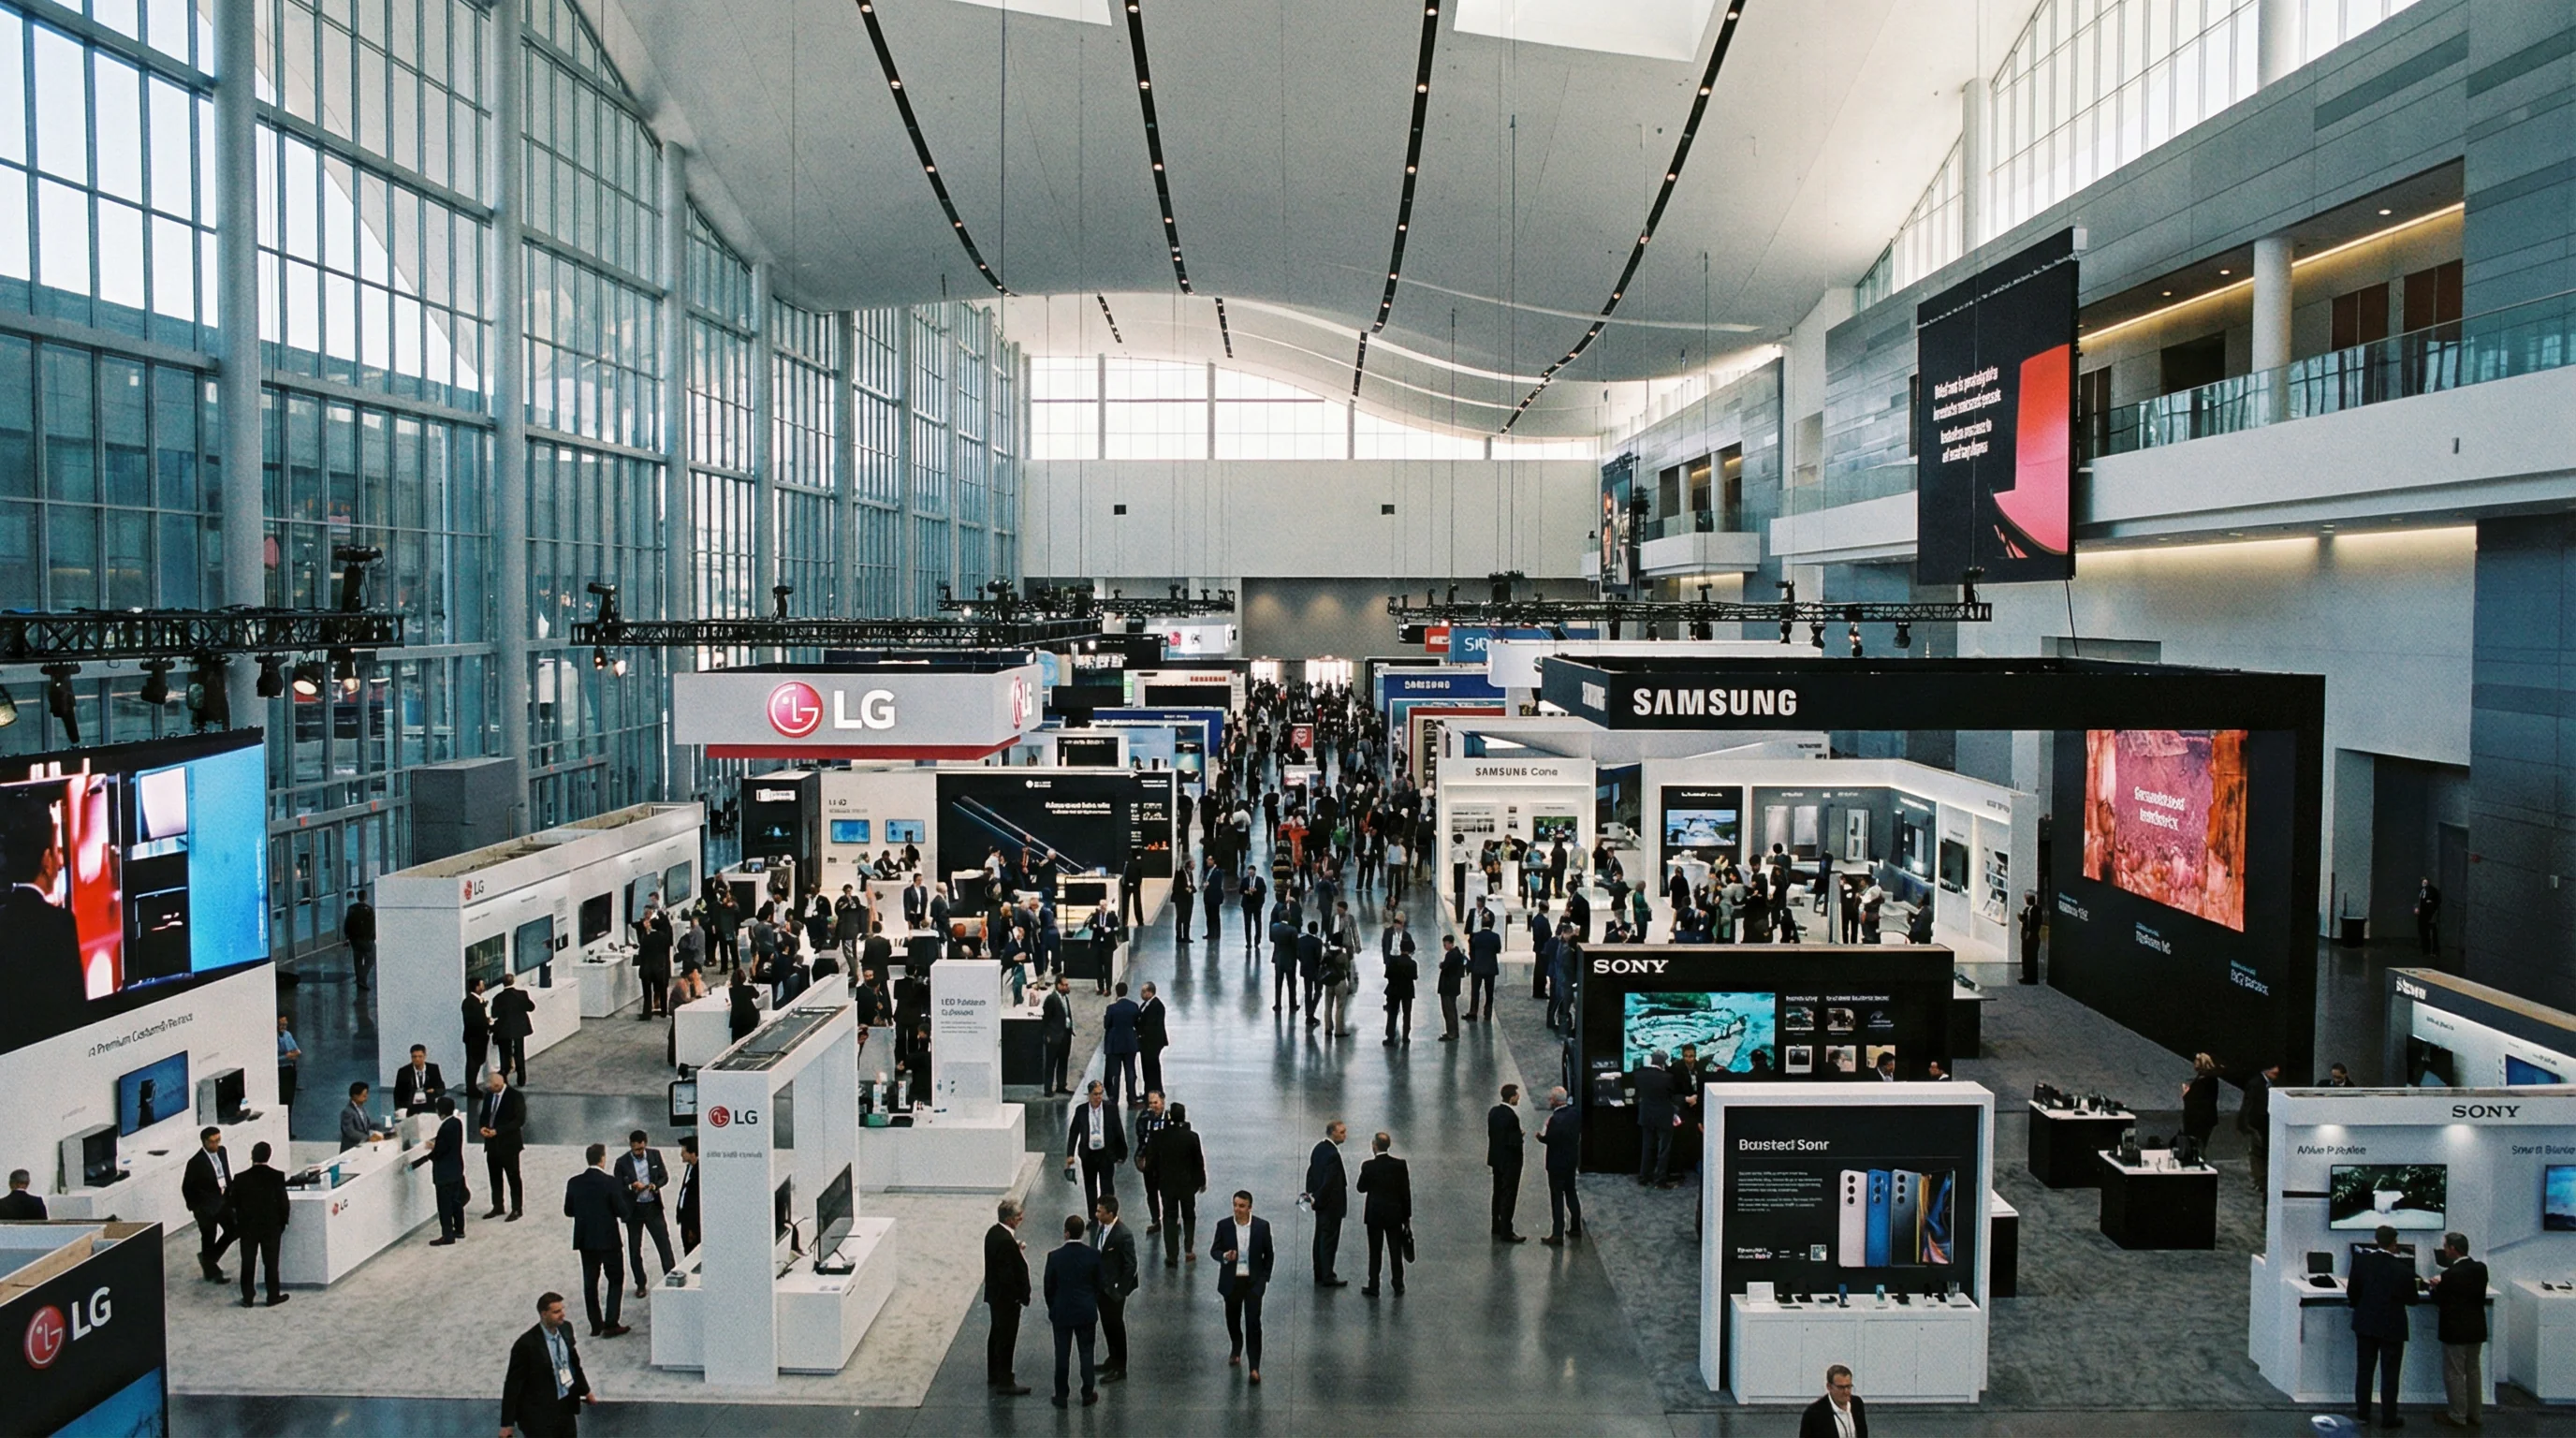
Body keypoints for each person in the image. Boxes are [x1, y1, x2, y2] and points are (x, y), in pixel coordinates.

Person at [499, 1291, 593, 1438]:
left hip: (565, 1407)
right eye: (556, 1312)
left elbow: (573, 1363)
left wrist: (585, 1390)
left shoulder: (566, 1328)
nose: (562, 1314)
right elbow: (513, 1384)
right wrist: (507, 1424)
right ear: (544, 1314)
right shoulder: (526, 1345)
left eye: (562, 1309)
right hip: (538, 1415)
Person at [2349, 1224, 2416, 1428]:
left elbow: (2353, 1293)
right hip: (2392, 1326)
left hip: (2366, 1323)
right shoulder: (2404, 1269)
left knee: (2365, 1370)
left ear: (2376, 1240)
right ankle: (2389, 1417)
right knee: (2390, 1374)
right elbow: (2412, 1299)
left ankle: (2363, 1414)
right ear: (2394, 1243)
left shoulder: (2361, 1262)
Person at [564, 1143, 632, 1338]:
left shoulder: (574, 1182)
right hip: (608, 1239)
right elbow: (621, 1210)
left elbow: (568, 1210)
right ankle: (611, 1323)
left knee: (590, 1282)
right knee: (615, 1279)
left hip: (585, 1240)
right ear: (602, 1159)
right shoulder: (610, 1182)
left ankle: (595, 1324)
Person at [1044, 1212, 1105, 1408]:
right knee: (1086, 1352)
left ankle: (1061, 1395)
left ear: (1066, 1233)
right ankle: (1087, 1393)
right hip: (1086, 1311)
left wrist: (1053, 1307)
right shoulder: (1093, 1255)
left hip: (1062, 1311)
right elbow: (1099, 1284)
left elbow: (1048, 1287)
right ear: (1082, 1233)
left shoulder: (1054, 1256)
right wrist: (1091, 1301)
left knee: (1062, 1354)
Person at [1211, 1190, 1274, 1383]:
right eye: (1235, 1205)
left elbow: (1269, 1255)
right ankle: (1236, 1346)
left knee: (1253, 1323)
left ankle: (1254, 1366)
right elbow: (1215, 1250)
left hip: (1253, 1282)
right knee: (1233, 1319)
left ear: (1250, 1208)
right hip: (1232, 1282)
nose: (1237, 1209)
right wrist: (1224, 1256)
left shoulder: (1261, 1227)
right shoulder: (1224, 1226)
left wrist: (1263, 1280)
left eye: (1242, 1206)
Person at [2429, 1230, 2488, 1429]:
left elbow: (2441, 1301)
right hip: (2476, 1329)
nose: (2444, 1251)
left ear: (2453, 1249)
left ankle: (2457, 1414)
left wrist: (2435, 1287)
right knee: (2473, 1372)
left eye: (2446, 1247)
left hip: (2455, 1331)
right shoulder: (2481, 1269)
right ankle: (2475, 1414)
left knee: (2454, 1373)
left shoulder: (2450, 1275)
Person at [229, 1141, 290, 1308]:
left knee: (248, 1262)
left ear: (252, 1155)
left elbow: (233, 1203)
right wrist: (282, 1222)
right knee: (271, 1263)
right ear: (269, 1156)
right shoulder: (277, 1176)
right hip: (271, 1227)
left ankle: (248, 1297)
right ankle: (272, 1296)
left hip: (248, 1228)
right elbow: (283, 1203)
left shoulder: (240, 1178)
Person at [614, 1130, 675, 1296]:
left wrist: (655, 1185)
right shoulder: (621, 1162)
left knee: (664, 1244)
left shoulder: (655, 1155)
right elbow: (617, 1186)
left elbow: (664, 1176)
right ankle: (640, 1283)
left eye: (641, 1149)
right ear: (630, 1146)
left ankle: (670, 1278)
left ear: (645, 1143)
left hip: (653, 1206)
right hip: (634, 1210)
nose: (639, 1153)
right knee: (635, 1249)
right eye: (635, 1150)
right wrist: (631, 1186)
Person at [984, 1198, 1032, 1395]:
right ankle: (1005, 1380)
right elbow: (1007, 1275)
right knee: (1006, 1338)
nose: (1021, 1218)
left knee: (996, 1334)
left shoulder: (994, 1233)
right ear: (1010, 1219)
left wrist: (1015, 1248)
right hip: (1006, 1300)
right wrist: (1017, 1297)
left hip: (995, 1296)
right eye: (1018, 1216)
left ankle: (994, 1373)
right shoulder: (1005, 1241)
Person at [1149, 1101, 1208, 1267]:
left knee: (1169, 1217)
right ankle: (1188, 1249)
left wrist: (1155, 1180)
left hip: (1167, 1185)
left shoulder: (1159, 1136)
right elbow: (1198, 1161)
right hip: (1187, 1185)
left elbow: (1153, 1161)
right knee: (1189, 1215)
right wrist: (1201, 1181)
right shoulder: (1192, 1137)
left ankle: (1172, 1255)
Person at [1355, 1130, 1412, 1297]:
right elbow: (1405, 1193)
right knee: (1395, 1250)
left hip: (1374, 1215)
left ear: (1374, 1146)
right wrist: (1406, 1217)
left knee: (1375, 1251)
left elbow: (1361, 1188)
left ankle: (1374, 1285)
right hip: (1395, 1214)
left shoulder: (1368, 1166)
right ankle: (1398, 1283)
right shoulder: (1400, 1165)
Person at [1091, 1194, 1139, 1382]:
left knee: (1116, 1326)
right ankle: (1112, 1359)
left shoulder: (1123, 1235)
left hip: (1113, 1291)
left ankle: (1120, 1367)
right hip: (1102, 1288)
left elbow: (1131, 1265)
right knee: (1107, 1325)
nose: (1096, 1215)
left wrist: (1119, 1291)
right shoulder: (1102, 1228)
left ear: (1110, 1213)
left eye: (1100, 1212)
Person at [181, 1126, 235, 1282]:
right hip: (206, 1207)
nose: (216, 1145)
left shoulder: (222, 1152)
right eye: (212, 1142)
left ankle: (208, 1260)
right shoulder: (196, 1162)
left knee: (233, 1229)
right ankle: (212, 1271)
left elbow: (226, 1173)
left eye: (218, 1140)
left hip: (223, 1201)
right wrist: (196, 1208)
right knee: (208, 1237)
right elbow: (186, 1187)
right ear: (204, 1142)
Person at [1302, 1120, 1350, 1287]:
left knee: (1320, 1238)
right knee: (1329, 1241)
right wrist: (1319, 1198)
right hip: (1332, 1206)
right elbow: (1330, 1182)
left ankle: (1319, 1272)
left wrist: (1311, 1195)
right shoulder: (1333, 1155)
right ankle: (1328, 1275)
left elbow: (1311, 1172)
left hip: (1321, 1206)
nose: (1345, 1135)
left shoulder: (1318, 1149)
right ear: (1333, 1133)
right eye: (1342, 1132)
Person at [1066, 1080, 1128, 1210]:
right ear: (1089, 1094)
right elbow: (1073, 1133)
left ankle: (1108, 1214)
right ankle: (1093, 1216)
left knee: (1107, 1187)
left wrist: (1122, 1153)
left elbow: (1118, 1131)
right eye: (1095, 1094)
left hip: (1106, 1153)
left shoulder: (1110, 1109)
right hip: (1088, 1154)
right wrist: (1070, 1154)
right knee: (1090, 1187)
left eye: (1100, 1094)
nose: (1098, 1097)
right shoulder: (1081, 1110)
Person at [479, 1070, 528, 1220]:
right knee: (495, 1177)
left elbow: (519, 1120)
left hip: (509, 1145)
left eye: (492, 1087)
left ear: (499, 1085)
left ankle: (517, 1209)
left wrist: (498, 1131)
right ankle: (498, 1206)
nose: (490, 1089)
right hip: (492, 1144)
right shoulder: (489, 1096)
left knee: (513, 1177)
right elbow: (484, 1115)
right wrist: (483, 1127)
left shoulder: (515, 1096)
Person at [1540, 1086, 1584, 1245]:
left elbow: (1549, 1139)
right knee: (1571, 1192)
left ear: (1555, 1101)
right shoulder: (1575, 1113)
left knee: (1557, 1197)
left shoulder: (1554, 1120)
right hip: (1571, 1160)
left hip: (1556, 1163)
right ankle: (1576, 1227)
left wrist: (1540, 1138)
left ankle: (1557, 1233)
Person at [1631, 1050, 1678, 1186]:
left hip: (1646, 1115)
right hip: (1664, 1116)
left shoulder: (1639, 1075)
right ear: (1663, 1063)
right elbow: (1672, 1096)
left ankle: (1644, 1177)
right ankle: (1660, 1179)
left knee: (1647, 1147)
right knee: (1663, 1149)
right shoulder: (1668, 1078)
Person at [1487, 1084, 1527, 1241]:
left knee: (1497, 1192)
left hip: (1496, 1158)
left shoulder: (1493, 1112)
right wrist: (1520, 1135)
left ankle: (1496, 1225)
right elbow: (1513, 1142)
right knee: (1508, 1195)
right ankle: (1507, 1231)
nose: (1518, 1098)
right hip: (1510, 1162)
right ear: (1511, 1097)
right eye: (1517, 1095)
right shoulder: (1511, 1117)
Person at [429, 1096, 470, 1244]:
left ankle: (447, 1235)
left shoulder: (445, 1128)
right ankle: (459, 1229)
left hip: (444, 1174)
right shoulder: (457, 1123)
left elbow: (440, 1151)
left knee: (445, 1205)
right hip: (456, 1169)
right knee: (456, 1202)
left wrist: (431, 1150)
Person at [2239, 1060, 2281, 1196]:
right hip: (2257, 1125)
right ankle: (2260, 1180)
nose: (2276, 1071)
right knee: (2257, 1152)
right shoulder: (2255, 1084)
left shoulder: (2273, 1084)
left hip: (2269, 1124)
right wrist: (2246, 1125)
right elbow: (2248, 1105)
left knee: (2264, 1151)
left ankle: (2264, 1179)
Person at [1132, 1092, 1171, 1234]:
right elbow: (1141, 1138)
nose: (1153, 1106)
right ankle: (1155, 1220)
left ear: (1163, 1102)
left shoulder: (1170, 1119)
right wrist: (1140, 1156)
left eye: (1156, 1102)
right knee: (1151, 1193)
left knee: (1167, 1193)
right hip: (1149, 1162)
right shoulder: (1144, 1118)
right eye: (1151, 1103)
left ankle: (1170, 1218)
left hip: (1165, 1162)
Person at [1799, 1363, 1868, 1438]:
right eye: (1841, 1387)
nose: (1846, 1392)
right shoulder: (1813, 1414)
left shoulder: (1857, 1404)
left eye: (1848, 1386)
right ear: (1829, 1387)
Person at [492, 972, 536, 1083]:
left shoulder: (498, 998)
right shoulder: (522, 994)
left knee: (505, 1054)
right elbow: (531, 1007)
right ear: (513, 981)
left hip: (504, 1029)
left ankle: (504, 1078)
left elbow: (494, 1014)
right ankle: (521, 1078)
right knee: (519, 1052)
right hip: (519, 1028)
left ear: (503, 983)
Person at [1103, 983, 1142, 1108]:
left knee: (1115, 1073)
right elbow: (1137, 1023)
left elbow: (1106, 1025)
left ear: (1116, 992)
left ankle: (1114, 1098)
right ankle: (1132, 1097)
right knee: (1130, 1071)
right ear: (1126, 991)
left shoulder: (1111, 1008)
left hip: (1115, 1044)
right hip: (1130, 1043)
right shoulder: (1134, 1006)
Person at [636, 903, 673, 1020]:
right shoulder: (663, 937)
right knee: (662, 990)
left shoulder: (646, 938)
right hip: (660, 968)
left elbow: (642, 953)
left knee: (647, 993)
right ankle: (663, 1011)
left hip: (647, 969)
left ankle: (647, 1013)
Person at [1041, 977, 1076, 1096]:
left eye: (1067, 985)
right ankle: (1048, 1089)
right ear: (1058, 985)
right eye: (1064, 985)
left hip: (1065, 1035)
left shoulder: (1065, 998)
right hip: (1054, 1036)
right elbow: (1046, 1019)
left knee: (1063, 1061)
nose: (1067, 987)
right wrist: (1048, 1035)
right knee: (1051, 1063)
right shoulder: (1051, 999)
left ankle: (1061, 1085)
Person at [2180, 1052, 2221, 1150]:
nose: (2194, 1063)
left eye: (2196, 1061)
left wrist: (2187, 1093)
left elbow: (2197, 1099)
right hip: (2200, 1118)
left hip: (2199, 1119)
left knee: (2196, 1145)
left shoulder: (2206, 1081)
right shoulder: (2207, 1079)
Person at [1136, 982, 1170, 1098]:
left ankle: (1156, 1091)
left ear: (1150, 992)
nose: (1141, 994)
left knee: (1152, 1067)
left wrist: (1140, 1031)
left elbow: (1151, 1024)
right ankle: (1148, 1091)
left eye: (1143, 991)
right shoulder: (1146, 1004)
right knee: (1147, 1067)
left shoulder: (1157, 1006)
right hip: (1146, 1042)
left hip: (1153, 1042)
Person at [1382, 932, 1417, 1044]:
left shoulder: (1393, 962)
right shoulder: (1413, 963)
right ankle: (1406, 1036)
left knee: (1392, 1014)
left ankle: (1390, 1037)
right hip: (1407, 991)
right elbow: (1414, 977)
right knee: (1407, 1014)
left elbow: (1387, 975)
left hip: (1393, 990)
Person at [394, 1044, 447, 1112]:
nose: (417, 1059)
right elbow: (397, 1093)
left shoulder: (433, 1069)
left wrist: (434, 1091)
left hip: (429, 1107)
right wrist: (398, 1109)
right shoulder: (403, 1071)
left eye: (420, 1056)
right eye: (414, 1057)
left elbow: (441, 1088)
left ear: (425, 1056)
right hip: (410, 1108)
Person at [1467, 915, 1500, 1020]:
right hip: (1490, 968)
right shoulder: (1495, 937)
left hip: (1477, 967)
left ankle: (1473, 1012)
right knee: (1489, 992)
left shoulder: (1476, 936)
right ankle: (1488, 1013)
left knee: (1475, 991)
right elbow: (1498, 950)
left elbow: (1472, 951)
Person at [673, 1136, 701, 1254]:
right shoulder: (689, 1167)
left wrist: (692, 1228)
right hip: (684, 1220)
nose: (681, 1154)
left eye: (684, 1151)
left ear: (693, 1153)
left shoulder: (700, 1171)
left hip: (693, 1225)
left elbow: (696, 1202)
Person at [1436, 933, 1467, 1041]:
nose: (1444, 946)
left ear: (1450, 943)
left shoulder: (1450, 955)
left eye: (1445, 944)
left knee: (1448, 1010)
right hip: (1454, 986)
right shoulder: (1458, 954)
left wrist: (1442, 965)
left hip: (1447, 987)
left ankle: (1451, 1033)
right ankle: (1454, 1031)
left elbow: (1445, 966)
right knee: (1452, 1010)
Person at [343, 895, 376, 989]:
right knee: (370, 958)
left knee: (357, 959)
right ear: (365, 898)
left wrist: (347, 937)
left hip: (354, 938)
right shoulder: (369, 909)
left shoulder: (351, 909)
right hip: (365, 938)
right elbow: (372, 925)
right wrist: (373, 937)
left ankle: (359, 979)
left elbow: (347, 923)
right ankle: (362, 978)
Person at [339, 1081, 384, 1151]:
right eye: (364, 1095)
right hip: (350, 1149)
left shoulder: (362, 1109)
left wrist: (382, 1127)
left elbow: (366, 1125)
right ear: (355, 1096)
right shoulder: (347, 1112)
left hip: (361, 1147)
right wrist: (368, 1138)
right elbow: (350, 1132)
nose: (366, 1097)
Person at [461, 979, 490, 1084]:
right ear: (477, 987)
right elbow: (473, 1021)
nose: (483, 987)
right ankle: (471, 1087)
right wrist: (487, 1024)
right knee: (473, 1063)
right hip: (474, 1038)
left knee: (477, 1062)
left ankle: (472, 1086)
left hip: (478, 1037)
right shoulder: (470, 1002)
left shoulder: (475, 1001)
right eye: (482, 985)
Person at [726, 965, 761, 1042]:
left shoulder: (731, 991)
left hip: (737, 1019)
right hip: (749, 1017)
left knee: (735, 1040)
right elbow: (757, 995)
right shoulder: (750, 988)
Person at [2016, 890, 2043, 984]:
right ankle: (2026, 976)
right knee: (2026, 957)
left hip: (2032, 938)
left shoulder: (2036, 910)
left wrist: (2029, 933)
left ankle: (2032, 978)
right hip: (2025, 938)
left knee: (2031, 958)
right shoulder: (2027, 909)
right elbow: (2025, 920)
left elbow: (2035, 924)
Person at [276, 1015, 302, 1109]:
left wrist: (291, 1055)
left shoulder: (287, 1035)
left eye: (285, 1024)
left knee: (290, 1100)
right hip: (280, 1070)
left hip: (290, 1069)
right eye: (281, 1024)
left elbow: (297, 1051)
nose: (283, 1027)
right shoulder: (273, 1038)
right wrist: (286, 1057)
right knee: (283, 1099)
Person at [2416, 876, 2441, 956]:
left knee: (2432, 932)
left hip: (2430, 914)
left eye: (2425, 882)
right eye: (2423, 882)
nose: (2424, 884)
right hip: (2422, 915)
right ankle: (2426, 950)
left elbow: (2437, 901)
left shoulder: (2433, 891)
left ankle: (2433, 950)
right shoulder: (2421, 891)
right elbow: (2418, 901)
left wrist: (2432, 905)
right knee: (2424, 932)